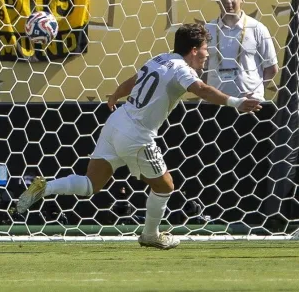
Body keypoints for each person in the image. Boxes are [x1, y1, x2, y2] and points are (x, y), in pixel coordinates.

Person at [16, 23, 263, 249]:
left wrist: (114, 95)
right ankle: (150, 234)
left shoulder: (159, 59)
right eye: (205, 49)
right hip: (136, 134)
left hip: (117, 121)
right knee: (165, 186)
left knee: (92, 184)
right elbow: (202, 90)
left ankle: (44, 188)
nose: (208, 54)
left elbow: (134, 81)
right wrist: (236, 102)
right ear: (194, 49)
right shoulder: (182, 70)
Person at [204, 0, 278, 100]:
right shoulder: (207, 30)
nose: (228, 1)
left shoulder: (257, 28)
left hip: (251, 103)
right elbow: (201, 68)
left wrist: (258, 91)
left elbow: (271, 68)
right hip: (216, 103)